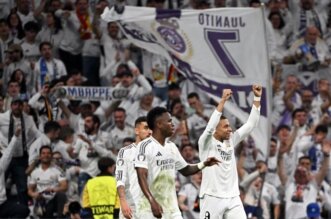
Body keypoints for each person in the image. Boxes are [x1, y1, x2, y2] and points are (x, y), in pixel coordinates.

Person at [134, 106, 220, 219]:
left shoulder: (172, 147)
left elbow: (186, 170)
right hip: (150, 209)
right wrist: (151, 201)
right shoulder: (144, 146)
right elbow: (141, 176)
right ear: (159, 124)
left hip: (172, 209)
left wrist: (204, 164)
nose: (173, 124)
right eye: (169, 121)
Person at [198, 85, 262, 219]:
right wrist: (222, 101)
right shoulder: (205, 143)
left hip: (233, 197)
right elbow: (209, 127)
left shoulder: (231, 141)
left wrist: (257, 98)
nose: (229, 129)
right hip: (212, 197)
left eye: (229, 126)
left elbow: (251, 125)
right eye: (226, 126)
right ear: (216, 129)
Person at [115, 116, 152, 219]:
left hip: (150, 207)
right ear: (136, 130)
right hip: (131, 206)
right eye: (146, 128)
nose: (149, 132)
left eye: (151, 129)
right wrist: (122, 201)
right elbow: (120, 178)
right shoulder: (125, 152)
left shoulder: (157, 152)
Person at [0, 127, 30, 218]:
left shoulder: (0, 166)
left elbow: (7, 154)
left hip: (2, 205)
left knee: (24, 210)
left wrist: (15, 136)